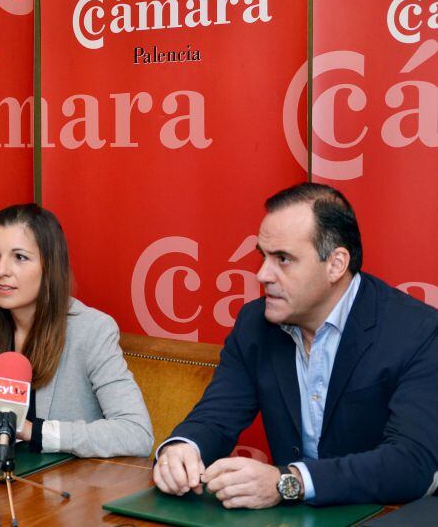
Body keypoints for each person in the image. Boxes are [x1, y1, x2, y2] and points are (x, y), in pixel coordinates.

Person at [154, 182, 438, 507]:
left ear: (336, 264)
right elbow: (215, 417)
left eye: (283, 259)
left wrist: (290, 482)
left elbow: (410, 463)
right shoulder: (255, 324)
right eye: (263, 256)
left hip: (384, 513)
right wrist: (182, 448)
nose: (262, 274)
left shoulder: (418, 331)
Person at [0, 204, 153, 457]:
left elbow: (136, 433)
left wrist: (38, 432)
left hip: (64, 489)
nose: (1, 270)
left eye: (19, 257)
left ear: (50, 266)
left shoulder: (92, 331)